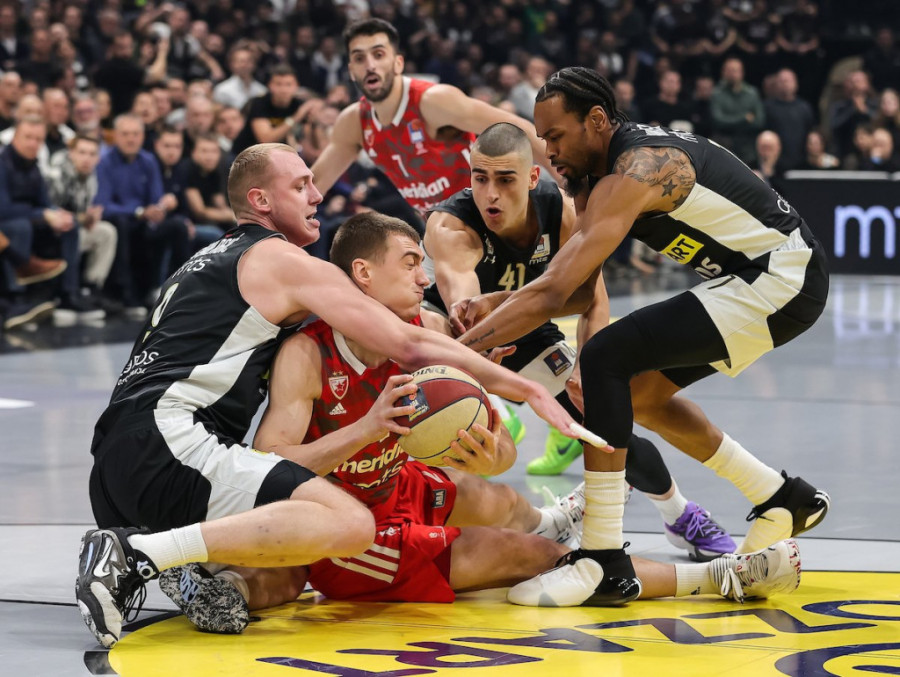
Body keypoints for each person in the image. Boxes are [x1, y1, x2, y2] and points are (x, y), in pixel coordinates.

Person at [157, 211, 802, 632]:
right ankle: (721, 576)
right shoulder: (309, 354)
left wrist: (487, 454)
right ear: (363, 274)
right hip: (346, 524)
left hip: (395, 483)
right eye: (409, 261)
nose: (423, 274)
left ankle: (553, 514)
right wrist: (370, 428)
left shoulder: (429, 330)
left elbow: (500, 454)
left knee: (501, 498)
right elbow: (272, 468)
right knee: (542, 558)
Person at [75, 142, 580, 649]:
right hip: (172, 442)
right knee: (348, 523)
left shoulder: (209, 260)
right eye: (301, 186)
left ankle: (178, 561)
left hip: (120, 459)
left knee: (293, 559)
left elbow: (419, 341)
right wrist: (524, 386)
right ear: (261, 201)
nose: (317, 194)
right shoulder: (282, 264)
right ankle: (139, 554)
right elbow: (407, 344)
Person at [456, 67, 830, 608]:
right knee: (639, 396)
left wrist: (455, 355)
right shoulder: (593, 182)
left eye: (556, 136)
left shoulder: (640, 168)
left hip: (783, 274)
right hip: (752, 278)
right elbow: (578, 290)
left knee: (607, 355)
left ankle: (603, 560)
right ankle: (780, 495)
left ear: (597, 120)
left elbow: (555, 293)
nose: (549, 151)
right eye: (542, 138)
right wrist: (496, 303)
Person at [423, 122, 735, 560]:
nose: (490, 194)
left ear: (532, 178)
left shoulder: (562, 211)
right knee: (428, 370)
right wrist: (473, 346)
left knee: (604, 421)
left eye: (505, 180)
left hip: (529, 327)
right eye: (480, 178)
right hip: (460, 335)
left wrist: (588, 370)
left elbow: (593, 299)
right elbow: (463, 302)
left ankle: (680, 515)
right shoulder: (451, 225)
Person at [310, 18, 558, 217]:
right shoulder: (354, 123)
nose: (370, 65)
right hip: (445, 231)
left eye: (378, 54)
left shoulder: (432, 101)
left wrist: (566, 180)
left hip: (498, 213)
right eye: (359, 58)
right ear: (351, 71)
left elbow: (518, 127)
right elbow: (312, 188)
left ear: (398, 63)